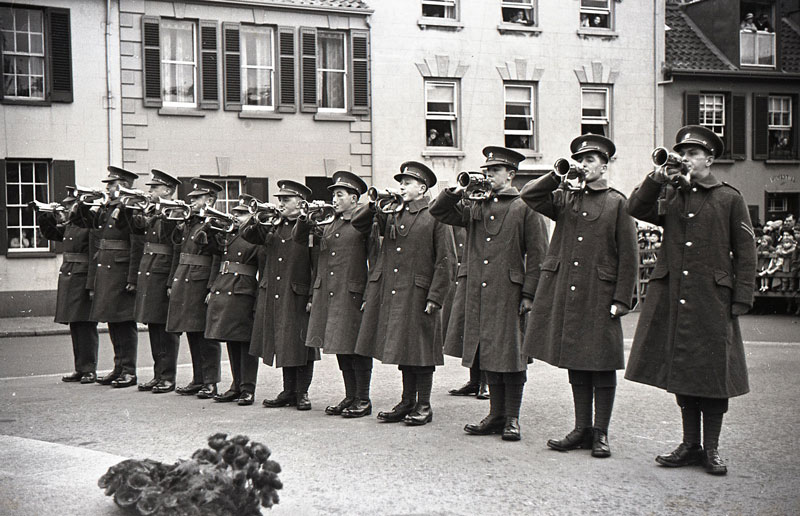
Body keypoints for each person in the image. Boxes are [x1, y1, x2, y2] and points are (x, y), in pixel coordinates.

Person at [625, 125, 756, 476]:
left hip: (713, 298)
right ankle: (689, 444)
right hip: (675, 297)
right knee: (682, 369)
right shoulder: (671, 193)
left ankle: (711, 448)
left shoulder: (729, 197)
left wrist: (742, 297)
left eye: (693, 153)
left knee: (712, 373)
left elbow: (746, 251)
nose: (685, 158)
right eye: (682, 152)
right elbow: (635, 207)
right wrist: (657, 176)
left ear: (709, 159)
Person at [520, 135, 638, 457]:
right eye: (580, 160)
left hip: (600, 293)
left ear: (604, 166)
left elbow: (629, 255)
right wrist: (557, 175)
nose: (584, 165)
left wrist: (622, 299)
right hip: (569, 291)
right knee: (576, 361)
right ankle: (582, 428)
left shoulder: (617, 202)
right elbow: (529, 195)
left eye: (590, 160)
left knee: (601, 364)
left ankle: (601, 433)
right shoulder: (565, 198)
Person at [430, 146, 549, 441]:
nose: (489, 175)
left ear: (511, 175)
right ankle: (496, 415)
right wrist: (457, 191)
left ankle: (512, 418)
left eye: (495, 171)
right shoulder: (477, 205)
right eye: (487, 170)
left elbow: (538, 255)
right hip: (479, 291)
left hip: (509, 292)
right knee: (488, 353)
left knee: (511, 355)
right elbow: (439, 211)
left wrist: (529, 294)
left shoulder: (525, 206)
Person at [352, 162, 456, 426]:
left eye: (407, 183)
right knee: (405, 347)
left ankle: (424, 404)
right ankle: (407, 401)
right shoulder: (394, 212)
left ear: (422, 188)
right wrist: (374, 205)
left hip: (420, 292)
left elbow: (446, 260)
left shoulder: (435, 214)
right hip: (397, 291)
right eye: (400, 183)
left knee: (421, 349)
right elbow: (359, 224)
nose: (401, 187)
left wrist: (436, 296)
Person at [294, 171, 372, 418]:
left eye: (340, 195)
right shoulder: (329, 222)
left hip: (352, 293)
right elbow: (300, 239)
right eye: (334, 196)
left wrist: (370, 294)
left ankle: (363, 398)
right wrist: (306, 218)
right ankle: (350, 395)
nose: (334, 200)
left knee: (356, 348)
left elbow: (375, 259)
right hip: (330, 292)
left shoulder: (364, 222)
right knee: (341, 346)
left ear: (354, 198)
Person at [243, 182, 319, 411]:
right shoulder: (274, 224)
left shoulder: (310, 225)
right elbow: (248, 235)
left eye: (286, 200)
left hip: (298, 292)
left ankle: (302, 392)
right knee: (284, 341)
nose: (281, 204)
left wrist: (312, 296)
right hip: (276, 291)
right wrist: (258, 217)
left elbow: (316, 264)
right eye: (280, 200)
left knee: (301, 344)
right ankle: (288, 391)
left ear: (300, 203)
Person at [80, 166, 144, 388]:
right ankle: (119, 368)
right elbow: (94, 235)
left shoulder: (129, 208)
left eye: (111, 184)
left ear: (124, 186)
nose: (107, 188)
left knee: (124, 322)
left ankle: (129, 370)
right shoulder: (108, 208)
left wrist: (132, 278)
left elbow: (137, 244)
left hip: (121, 271)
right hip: (108, 270)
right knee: (113, 321)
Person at [121, 170, 182, 394]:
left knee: (165, 328)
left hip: (163, 272)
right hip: (150, 270)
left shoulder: (175, 211)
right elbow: (136, 230)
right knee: (154, 326)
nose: (150, 191)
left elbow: (175, 248)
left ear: (167, 190)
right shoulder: (154, 210)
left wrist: (171, 281)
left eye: (155, 188)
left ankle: (168, 377)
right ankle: (159, 375)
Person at [167, 178, 223, 399]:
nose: (192, 201)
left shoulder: (215, 222)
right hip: (185, 277)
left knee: (206, 335)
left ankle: (210, 382)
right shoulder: (190, 221)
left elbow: (218, 257)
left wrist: (212, 287)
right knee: (192, 330)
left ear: (210, 200)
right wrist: (172, 281)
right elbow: (178, 252)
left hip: (201, 280)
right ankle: (198, 378)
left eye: (197, 198)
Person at [204, 202, 262, 406]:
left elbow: (263, 269)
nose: (237, 216)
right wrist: (212, 287)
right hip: (225, 286)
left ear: (253, 216)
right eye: (235, 213)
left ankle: (247, 388)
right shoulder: (229, 234)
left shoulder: (256, 236)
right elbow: (215, 256)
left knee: (245, 342)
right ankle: (236, 385)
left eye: (242, 214)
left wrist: (259, 297)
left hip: (244, 290)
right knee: (231, 339)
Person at [38, 191, 99, 384]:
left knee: (86, 325)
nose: (67, 208)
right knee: (75, 323)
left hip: (82, 277)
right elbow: (51, 233)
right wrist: (46, 214)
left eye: (70, 205)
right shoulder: (72, 225)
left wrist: (92, 285)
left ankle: (89, 369)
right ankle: (80, 368)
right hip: (70, 275)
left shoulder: (88, 223)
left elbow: (94, 256)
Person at [445, 227, 489, 400]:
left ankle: (486, 382)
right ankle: (475, 380)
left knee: (485, 330)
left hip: (488, 271)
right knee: (469, 329)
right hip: (469, 271)